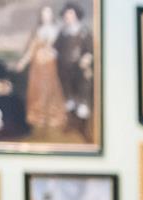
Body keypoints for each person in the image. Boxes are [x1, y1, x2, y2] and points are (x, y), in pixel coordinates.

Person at [15, 5, 67, 132]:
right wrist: (22, 62)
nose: (45, 16)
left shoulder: (57, 30)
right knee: (37, 90)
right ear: (41, 16)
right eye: (43, 14)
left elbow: (62, 49)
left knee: (50, 89)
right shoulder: (38, 30)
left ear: (51, 15)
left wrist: (54, 52)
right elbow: (31, 50)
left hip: (51, 65)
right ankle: (39, 117)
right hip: (37, 67)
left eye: (48, 13)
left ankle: (52, 116)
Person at [54, 3, 94, 137]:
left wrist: (87, 58)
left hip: (80, 70)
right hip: (65, 70)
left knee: (82, 97)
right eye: (66, 15)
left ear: (76, 15)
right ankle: (71, 123)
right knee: (68, 96)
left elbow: (90, 50)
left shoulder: (84, 32)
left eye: (70, 14)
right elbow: (56, 49)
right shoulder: (63, 33)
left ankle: (83, 127)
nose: (68, 17)